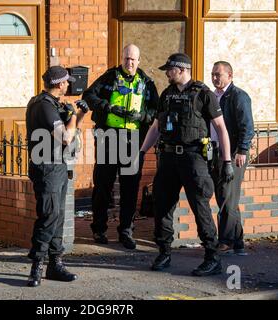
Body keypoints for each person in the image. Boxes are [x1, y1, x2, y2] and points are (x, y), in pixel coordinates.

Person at [140, 53, 234, 276]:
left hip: (194, 159)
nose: (166, 73)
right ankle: (164, 252)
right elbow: (155, 127)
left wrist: (227, 160)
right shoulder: (167, 94)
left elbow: (221, 128)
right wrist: (142, 151)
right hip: (169, 159)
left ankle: (212, 257)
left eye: (169, 69)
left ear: (181, 70)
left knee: (200, 208)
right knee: (162, 205)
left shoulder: (203, 94)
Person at [82, 44, 159, 249]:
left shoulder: (147, 83)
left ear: (139, 61)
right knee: (103, 186)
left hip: (133, 141)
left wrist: (143, 116)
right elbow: (88, 96)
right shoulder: (109, 77)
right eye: (126, 59)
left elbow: (157, 111)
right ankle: (99, 229)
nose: (129, 63)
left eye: (133, 59)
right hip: (109, 137)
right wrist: (108, 107)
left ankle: (126, 230)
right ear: (122, 59)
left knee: (130, 188)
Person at [25, 66, 89, 287]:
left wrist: (78, 115)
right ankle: (37, 266)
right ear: (60, 84)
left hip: (57, 166)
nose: (68, 85)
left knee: (59, 216)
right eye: (66, 82)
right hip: (47, 167)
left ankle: (55, 264)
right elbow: (65, 137)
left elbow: (71, 132)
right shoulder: (43, 106)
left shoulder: (50, 104)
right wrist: (72, 117)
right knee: (49, 215)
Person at [210, 61, 254, 256]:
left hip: (233, 154)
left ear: (230, 75)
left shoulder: (238, 96)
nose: (215, 78)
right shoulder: (213, 97)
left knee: (228, 197)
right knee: (226, 198)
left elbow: (247, 126)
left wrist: (242, 151)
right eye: (213, 74)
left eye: (218, 74)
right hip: (215, 152)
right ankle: (238, 242)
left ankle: (226, 240)